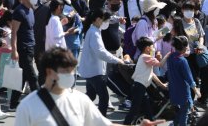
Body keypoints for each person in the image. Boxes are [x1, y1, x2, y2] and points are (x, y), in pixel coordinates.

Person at [15, 47, 162, 126]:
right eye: (65, 72)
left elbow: (104, 125)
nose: (70, 76)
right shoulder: (28, 105)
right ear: (49, 72)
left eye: (72, 71)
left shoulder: (80, 100)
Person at [78, 8, 124, 116]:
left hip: (91, 69)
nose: (107, 23)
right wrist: (117, 60)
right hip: (94, 71)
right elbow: (100, 52)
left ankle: (76, 112)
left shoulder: (94, 29)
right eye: (106, 20)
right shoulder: (94, 32)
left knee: (91, 95)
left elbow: (100, 51)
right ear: (98, 19)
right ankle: (100, 121)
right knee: (104, 98)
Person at [124, 37, 168, 125]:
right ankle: (126, 124)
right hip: (139, 87)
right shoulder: (145, 57)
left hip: (140, 87)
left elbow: (152, 74)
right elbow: (160, 64)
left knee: (147, 109)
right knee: (134, 109)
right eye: (152, 47)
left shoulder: (145, 57)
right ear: (147, 48)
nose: (153, 48)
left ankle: (151, 122)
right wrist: (168, 54)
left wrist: (162, 85)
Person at [10, 0, 39, 109]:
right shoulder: (19, 11)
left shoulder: (30, 9)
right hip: (23, 48)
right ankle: (40, 102)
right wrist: (14, 50)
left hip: (31, 46)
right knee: (32, 76)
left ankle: (13, 103)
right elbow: (14, 32)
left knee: (23, 76)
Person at [167, 35, 200, 126]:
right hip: (183, 92)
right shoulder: (183, 61)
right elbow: (189, 78)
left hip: (173, 90)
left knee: (178, 112)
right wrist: (196, 90)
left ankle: (174, 124)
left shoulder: (170, 57)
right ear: (185, 48)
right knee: (184, 115)